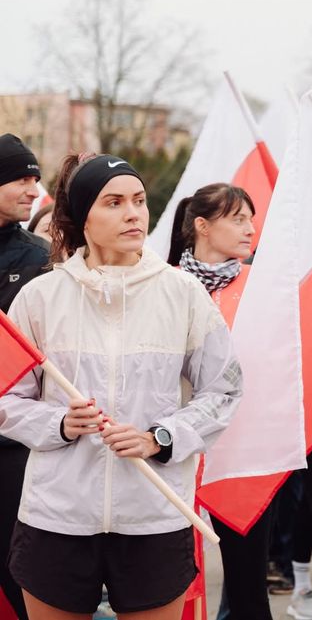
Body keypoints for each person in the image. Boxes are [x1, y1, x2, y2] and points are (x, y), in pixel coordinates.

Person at [0, 153, 242, 619]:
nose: (133, 213)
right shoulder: (40, 296)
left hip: (154, 514)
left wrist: (161, 438)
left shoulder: (182, 292)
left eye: (139, 200)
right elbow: (7, 397)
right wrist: (60, 424)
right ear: (83, 216)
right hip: (56, 517)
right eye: (114, 202)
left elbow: (224, 390)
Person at [166, 182, 276, 620]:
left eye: (251, 218)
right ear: (202, 226)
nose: (251, 228)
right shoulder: (164, 284)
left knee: (249, 587)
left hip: (245, 451)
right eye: (238, 218)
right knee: (173, 581)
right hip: (173, 448)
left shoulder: (265, 287)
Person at [0, 135, 50, 620]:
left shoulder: (38, 257)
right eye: (21, 178)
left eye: (35, 178)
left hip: (12, 446)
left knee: (18, 574)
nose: (33, 189)